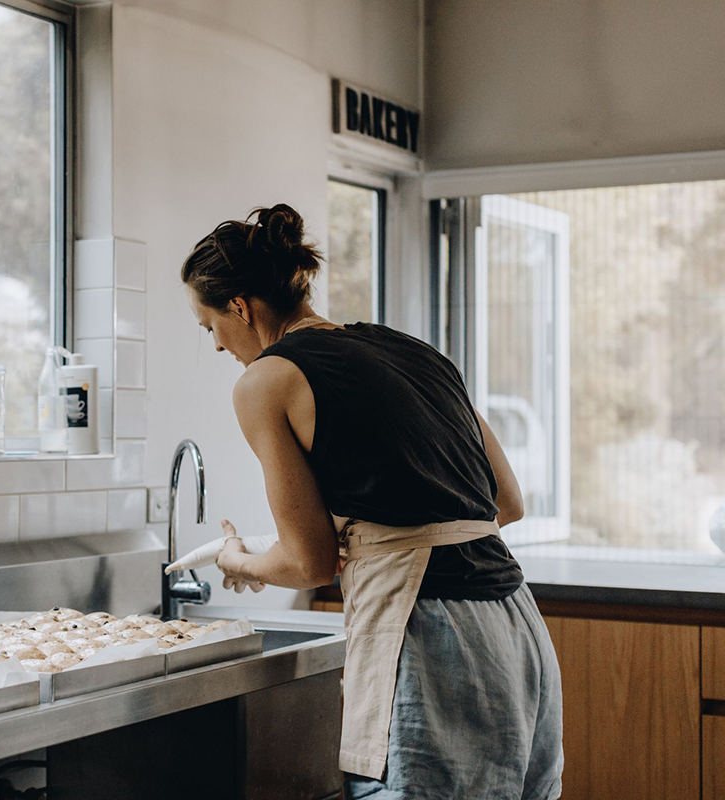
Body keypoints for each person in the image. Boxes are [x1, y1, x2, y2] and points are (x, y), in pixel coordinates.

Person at [180, 203, 563, 800]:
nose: (217, 346)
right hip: (515, 623)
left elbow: (310, 562)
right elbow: (505, 504)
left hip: (431, 628)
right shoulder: (415, 352)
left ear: (240, 307)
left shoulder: (265, 381)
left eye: (209, 327)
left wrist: (240, 561)